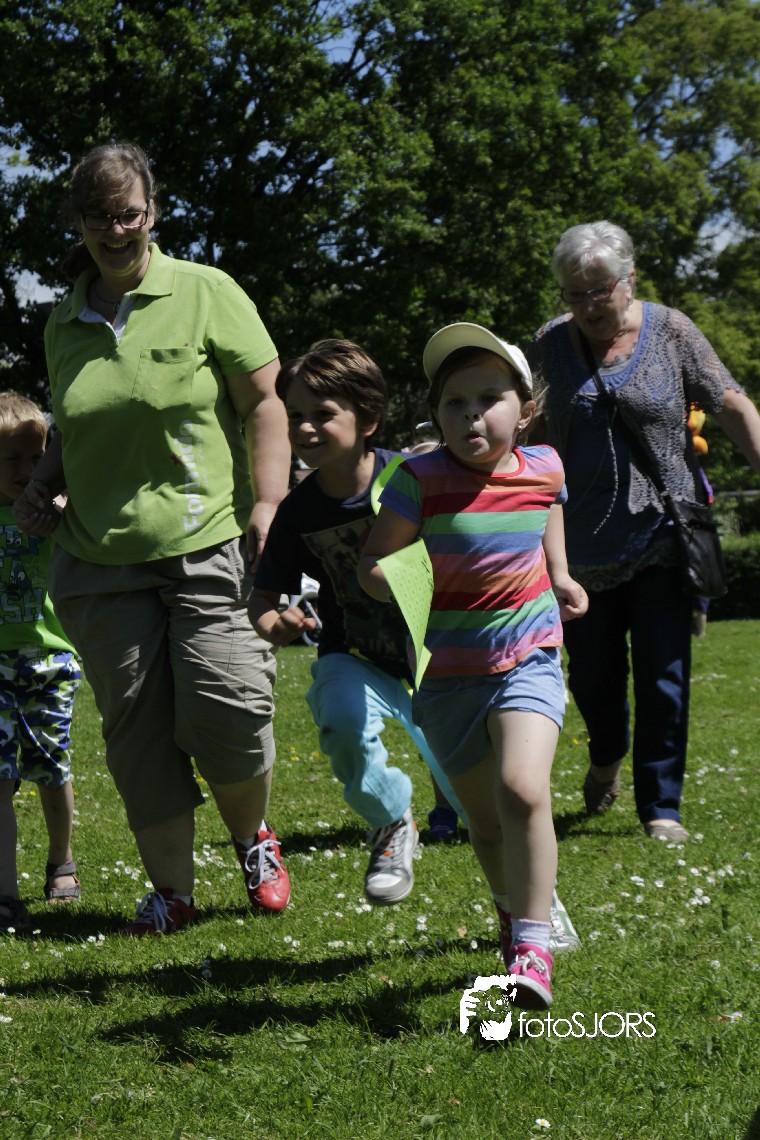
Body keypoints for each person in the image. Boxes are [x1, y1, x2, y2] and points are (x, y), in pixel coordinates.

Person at [13, 141, 292, 936]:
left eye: (128, 213)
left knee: (228, 705)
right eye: (98, 216)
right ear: (79, 222)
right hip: (99, 562)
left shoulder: (206, 291)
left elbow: (265, 402)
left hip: (206, 542)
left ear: (153, 212)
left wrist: (271, 502)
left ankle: (252, 838)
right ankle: (173, 891)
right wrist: (43, 485)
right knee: (136, 732)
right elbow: (75, 427)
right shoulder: (63, 320)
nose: (115, 229)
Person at [359, 323, 588, 1008]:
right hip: (449, 673)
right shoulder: (419, 479)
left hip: (528, 655)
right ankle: (512, 908)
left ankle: (532, 947)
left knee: (523, 790)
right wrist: (403, 578)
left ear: (526, 409)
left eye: (489, 399)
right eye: (454, 402)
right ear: (437, 415)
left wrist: (559, 573)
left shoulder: (545, 465)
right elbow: (373, 563)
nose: (471, 415)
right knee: (485, 822)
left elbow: (547, 507)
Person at [529, 220, 760, 842]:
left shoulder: (673, 331)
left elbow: (732, 404)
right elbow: (532, 432)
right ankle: (607, 756)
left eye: (599, 291)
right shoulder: (550, 344)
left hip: (663, 533)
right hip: (581, 548)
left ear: (629, 281)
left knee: (664, 674)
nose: (588, 306)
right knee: (593, 680)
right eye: (574, 294)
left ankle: (661, 805)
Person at [249, 339, 465, 904]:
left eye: (323, 413)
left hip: (439, 657)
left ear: (368, 419)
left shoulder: (412, 478)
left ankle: (535, 910)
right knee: (341, 719)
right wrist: (277, 627)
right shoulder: (297, 511)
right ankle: (392, 820)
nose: (305, 427)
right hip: (354, 654)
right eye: (295, 415)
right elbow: (262, 601)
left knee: (479, 795)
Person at [0, 393, 82, 934]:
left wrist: (62, 507)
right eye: (12, 459)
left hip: (50, 662)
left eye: (37, 458)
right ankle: (6, 892)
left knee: (51, 772)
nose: (27, 470)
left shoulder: (58, 516)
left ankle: (61, 859)